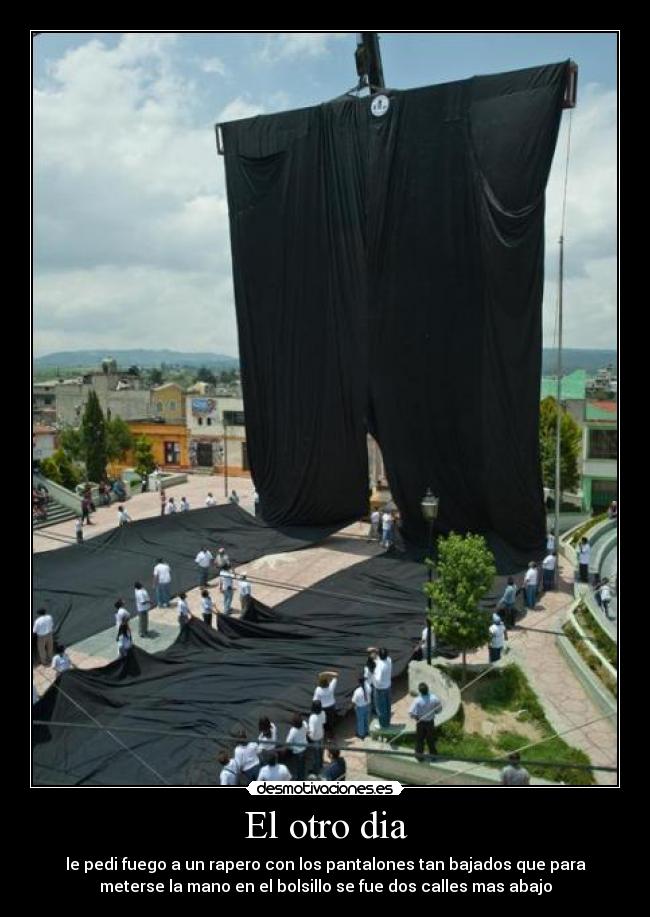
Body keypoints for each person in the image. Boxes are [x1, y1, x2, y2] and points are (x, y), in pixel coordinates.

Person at [409, 682, 442, 761]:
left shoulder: (417, 700)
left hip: (420, 722)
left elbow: (411, 713)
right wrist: (435, 712)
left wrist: (416, 718)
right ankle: (434, 756)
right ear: (428, 689)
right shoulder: (434, 698)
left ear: (420, 691)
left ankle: (419, 757)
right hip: (430, 722)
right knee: (431, 740)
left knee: (419, 740)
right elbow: (439, 709)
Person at [314, 671, 339, 737]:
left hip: (323, 708)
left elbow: (315, 700)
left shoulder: (318, 690)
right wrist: (325, 673)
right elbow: (336, 675)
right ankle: (331, 735)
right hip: (331, 707)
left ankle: (325, 735)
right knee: (331, 721)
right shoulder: (331, 687)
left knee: (324, 722)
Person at [372, 648, 393, 728]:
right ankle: (387, 722)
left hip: (380, 689)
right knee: (387, 706)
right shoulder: (389, 660)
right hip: (388, 686)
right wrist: (376, 651)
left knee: (380, 707)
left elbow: (378, 680)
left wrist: (373, 674)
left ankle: (383, 725)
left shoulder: (379, 667)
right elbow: (381, 658)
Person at [285, 714, 308, 780]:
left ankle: (300, 779)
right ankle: (303, 776)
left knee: (298, 766)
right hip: (305, 747)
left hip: (297, 751)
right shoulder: (305, 724)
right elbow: (307, 731)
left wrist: (291, 747)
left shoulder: (293, 731)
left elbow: (287, 742)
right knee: (303, 765)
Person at [307, 700, 327, 773]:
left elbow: (312, 732)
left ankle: (316, 770)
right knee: (321, 753)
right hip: (321, 734)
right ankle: (321, 765)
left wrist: (308, 734)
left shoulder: (312, 718)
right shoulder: (323, 713)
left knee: (316, 755)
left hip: (315, 738)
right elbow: (324, 722)